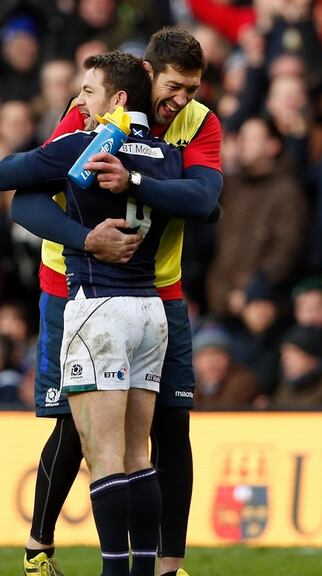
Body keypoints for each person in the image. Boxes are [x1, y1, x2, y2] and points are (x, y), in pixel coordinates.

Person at [15, 28, 224, 576]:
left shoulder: (199, 123)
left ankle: (167, 568)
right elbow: (28, 200)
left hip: (160, 290)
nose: (184, 100)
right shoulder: (90, 112)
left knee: (172, 429)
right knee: (73, 427)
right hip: (73, 286)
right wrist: (87, 239)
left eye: (194, 88)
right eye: (176, 86)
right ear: (147, 75)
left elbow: (206, 201)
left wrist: (132, 180)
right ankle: (39, 550)